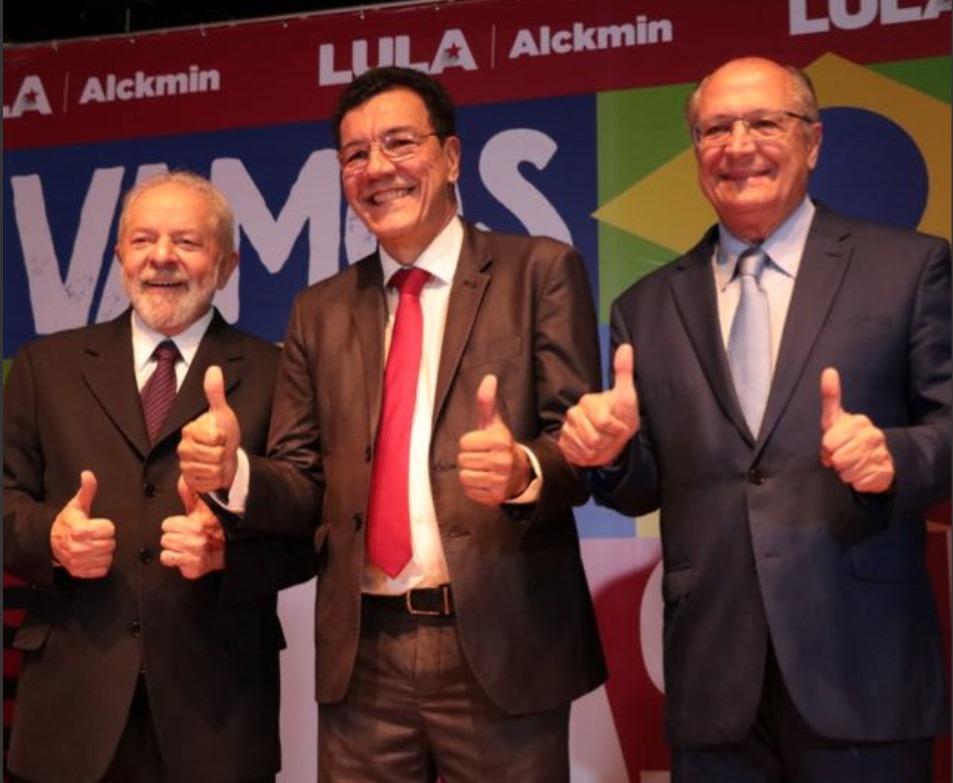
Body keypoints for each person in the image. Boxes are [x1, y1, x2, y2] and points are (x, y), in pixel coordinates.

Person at [178, 66, 607, 783]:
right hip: (363, 656)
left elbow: (580, 447)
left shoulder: (540, 271)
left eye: (399, 143)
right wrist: (237, 474)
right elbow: (301, 478)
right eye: (354, 154)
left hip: (501, 646)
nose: (376, 169)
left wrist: (525, 469)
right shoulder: (318, 309)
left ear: (450, 157)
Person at [558, 56, 951, 782]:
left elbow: (947, 426)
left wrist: (895, 454)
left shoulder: (908, 267)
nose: (737, 144)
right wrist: (608, 455)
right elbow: (642, 485)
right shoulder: (644, 305)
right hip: (713, 679)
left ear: (812, 141)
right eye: (714, 129)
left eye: (763, 122)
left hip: (861, 665)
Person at [3, 171, 316, 783]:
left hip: (218, 713)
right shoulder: (47, 366)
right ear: (120, 256)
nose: (162, 257)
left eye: (187, 242)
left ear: (227, 265)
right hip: (70, 706)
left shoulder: (278, 373)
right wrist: (52, 540)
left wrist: (229, 554)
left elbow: (315, 527)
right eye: (143, 240)